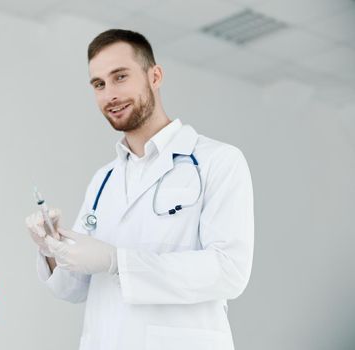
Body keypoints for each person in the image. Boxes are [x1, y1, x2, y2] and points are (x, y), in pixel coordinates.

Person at [25, 29, 254, 350]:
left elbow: (229, 271)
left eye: (120, 77)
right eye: (99, 84)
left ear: (155, 76)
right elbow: (73, 289)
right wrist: (52, 250)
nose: (110, 95)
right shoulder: (104, 179)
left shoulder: (218, 161)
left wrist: (118, 262)